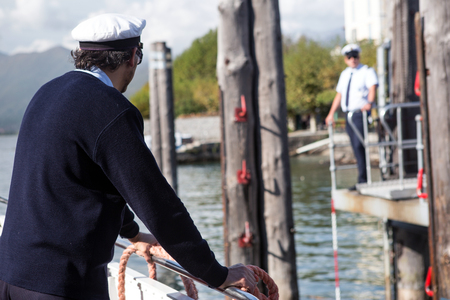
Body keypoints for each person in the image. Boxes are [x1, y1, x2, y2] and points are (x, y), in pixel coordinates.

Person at [0, 14, 256, 300]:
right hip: (61, 285)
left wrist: (133, 233)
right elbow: (158, 204)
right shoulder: (111, 109)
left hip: (9, 275)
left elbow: (86, 180)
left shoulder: (45, 94)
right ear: (133, 56)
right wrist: (217, 274)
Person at [325, 44, 378, 190]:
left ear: (359, 57)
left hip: (359, 114)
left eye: (355, 56)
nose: (353, 59)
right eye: (349, 57)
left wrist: (369, 103)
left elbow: (372, 88)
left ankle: (363, 180)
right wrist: (331, 114)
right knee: (355, 147)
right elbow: (339, 95)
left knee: (359, 145)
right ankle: (362, 178)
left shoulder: (367, 71)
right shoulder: (345, 74)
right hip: (348, 115)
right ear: (345, 59)